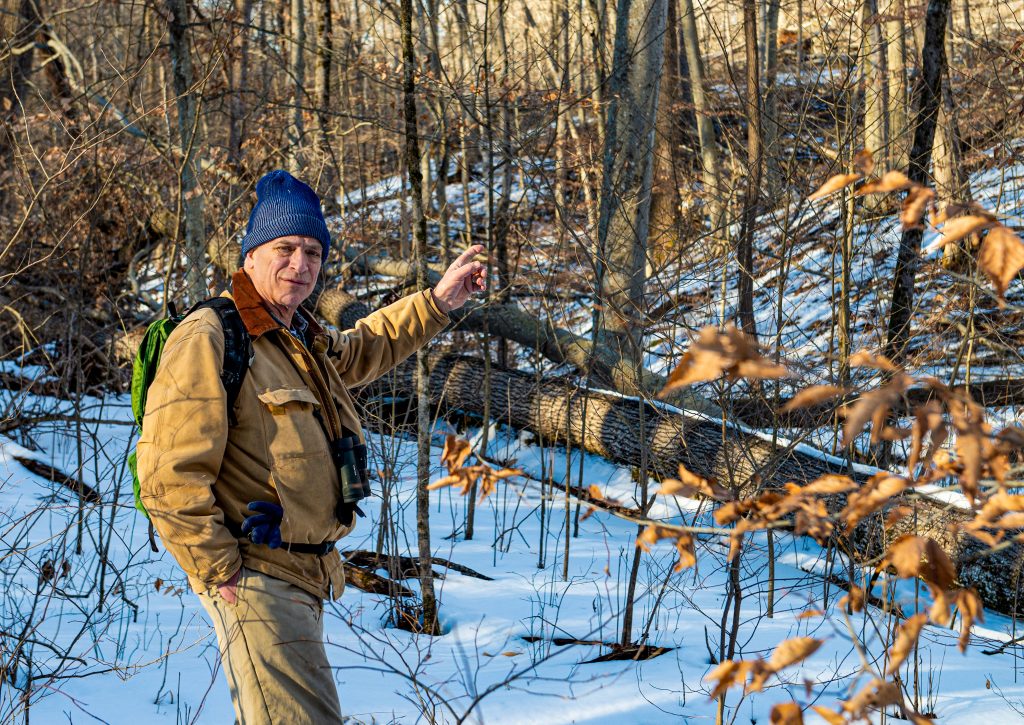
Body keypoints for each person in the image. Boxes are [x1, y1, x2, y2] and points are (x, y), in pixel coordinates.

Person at [136, 169, 485, 724]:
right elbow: (167, 475)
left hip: (304, 577)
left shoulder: (296, 335)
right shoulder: (210, 336)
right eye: (285, 249)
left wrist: (438, 302)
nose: (300, 265)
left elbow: (363, 349)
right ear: (250, 256)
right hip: (256, 579)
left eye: (313, 252)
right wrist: (219, 569)